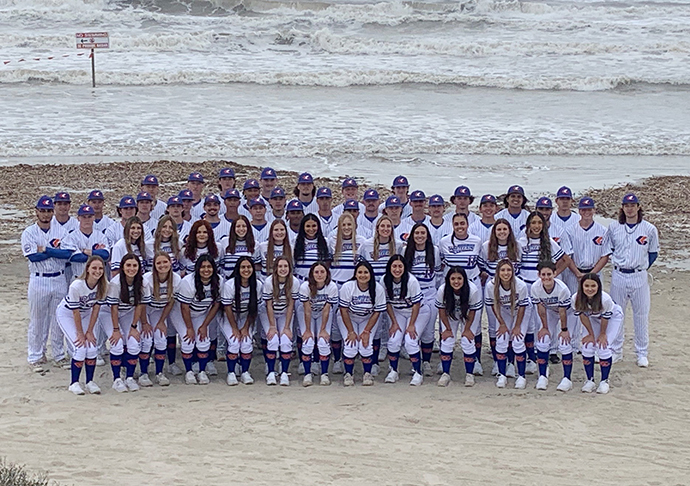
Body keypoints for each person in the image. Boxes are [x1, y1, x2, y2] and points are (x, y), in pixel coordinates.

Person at [605, 193, 659, 367]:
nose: (629, 208)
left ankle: (641, 352)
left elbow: (653, 252)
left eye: (633, 205)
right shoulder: (614, 228)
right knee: (617, 313)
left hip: (639, 275)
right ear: (622, 208)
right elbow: (609, 249)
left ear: (638, 207)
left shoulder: (649, 229)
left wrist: (641, 267)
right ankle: (615, 350)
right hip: (619, 274)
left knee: (641, 314)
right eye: (626, 205)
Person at [22, 195, 71, 371]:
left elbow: (67, 254)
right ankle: (36, 356)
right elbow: (33, 257)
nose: (45, 214)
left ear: (52, 212)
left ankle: (58, 355)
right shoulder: (29, 232)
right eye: (42, 211)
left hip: (58, 277)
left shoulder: (61, 231)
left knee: (58, 318)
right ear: (36, 211)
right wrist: (53, 252)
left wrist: (47, 250)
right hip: (39, 278)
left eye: (48, 211)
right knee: (37, 320)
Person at [518, 211, 566, 372]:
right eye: (533, 223)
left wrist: (552, 276)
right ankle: (527, 355)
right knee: (526, 322)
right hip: (525, 286)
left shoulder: (549, 242)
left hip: (541, 287)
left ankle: (542, 354)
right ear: (528, 225)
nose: (536, 226)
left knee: (541, 322)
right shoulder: (521, 242)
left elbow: (564, 260)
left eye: (539, 223)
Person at [55, 255, 108, 395]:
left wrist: (90, 331)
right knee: (80, 346)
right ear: (88, 269)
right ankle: (74, 383)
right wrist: (80, 333)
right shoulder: (77, 285)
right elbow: (75, 312)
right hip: (67, 314)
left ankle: (90, 381)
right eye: (94, 268)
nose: (98, 271)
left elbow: (96, 309)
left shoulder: (103, 285)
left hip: (87, 314)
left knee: (91, 347)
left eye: (101, 268)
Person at [438, 213, 484, 374]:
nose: (459, 226)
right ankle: (444, 359)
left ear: (467, 224)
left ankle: (476, 360)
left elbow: (481, 262)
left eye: (462, 223)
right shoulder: (444, 242)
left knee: (475, 326)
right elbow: (442, 262)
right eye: (456, 224)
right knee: (446, 323)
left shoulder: (476, 241)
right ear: (452, 225)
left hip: (472, 284)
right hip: (452, 285)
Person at [478, 218, 522, 376]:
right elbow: (481, 266)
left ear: (509, 231)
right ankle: (498, 361)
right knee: (493, 327)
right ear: (494, 232)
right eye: (499, 230)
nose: (502, 232)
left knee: (510, 325)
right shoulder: (486, 247)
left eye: (505, 229)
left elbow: (521, 268)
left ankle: (510, 362)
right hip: (493, 290)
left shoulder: (517, 247)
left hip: (512, 290)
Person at [337, 260, 387, 386]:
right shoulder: (348, 286)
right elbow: (343, 310)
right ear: (355, 274)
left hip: (368, 318)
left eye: (366, 272)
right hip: (349, 317)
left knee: (365, 345)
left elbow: (377, 312)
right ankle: (348, 374)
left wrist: (366, 331)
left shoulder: (377, 288)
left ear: (371, 274)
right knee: (350, 345)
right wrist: (351, 331)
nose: (363, 275)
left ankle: (367, 373)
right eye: (359, 272)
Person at [573, 273, 624, 394]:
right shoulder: (575, 298)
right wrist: (590, 334)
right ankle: (589, 380)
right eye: (586, 286)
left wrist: (602, 334)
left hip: (612, 318)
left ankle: (604, 381)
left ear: (598, 287)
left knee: (603, 346)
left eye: (593, 286)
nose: (590, 289)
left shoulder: (605, 299)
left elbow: (606, 318)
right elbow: (582, 316)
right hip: (592, 318)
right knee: (587, 346)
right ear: (581, 287)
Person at [381, 255, 429, 385]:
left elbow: (416, 304)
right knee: (393, 340)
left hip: (418, 312)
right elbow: (387, 303)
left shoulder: (411, 281)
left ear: (404, 267)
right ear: (389, 267)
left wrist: (412, 325)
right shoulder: (384, 280)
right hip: (398, 312)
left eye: (400, 266)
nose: (397, 269)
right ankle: (393, 370)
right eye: (394, 266)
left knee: (410, 340)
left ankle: (418, 372)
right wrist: (394, 323)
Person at [105, 253, 149, 393]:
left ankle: (129, 377)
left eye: (134, 265)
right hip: (108, 313)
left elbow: (139, 305)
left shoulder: (143, 283)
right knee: (117, 342)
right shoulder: (115, 283)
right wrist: (116, 329)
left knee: (134, 343)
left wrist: (134, 327)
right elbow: (113, 308)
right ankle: (117, 379)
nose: (131, 268)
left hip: (128, 312)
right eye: (128, 265)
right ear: (122, 267)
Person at [403, 223, 442, 377]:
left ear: (427, 236)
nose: (420, 236)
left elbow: (438, 273)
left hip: (430, 294)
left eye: (423, 233)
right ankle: (415, 359)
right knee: (413, 329)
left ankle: (426, 361)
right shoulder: (406, 250)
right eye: (417, 233)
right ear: (412, 235)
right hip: (412, 296)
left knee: (428, 331)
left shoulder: (435, 251)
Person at [177, 254, 222, 385]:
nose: (206, 270)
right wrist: (190, 328)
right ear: (197, 268)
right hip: (181, 312)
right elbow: (184, 307)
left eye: (209, 267)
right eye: (202, 267)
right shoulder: (188, 282)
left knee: (203, 340)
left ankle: (202, 371)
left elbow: (216, 305)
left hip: (200, 312)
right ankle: (189, 371)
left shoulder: (218, 281)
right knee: (187, 340)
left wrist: (204, 325)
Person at [484, 259, 530, 389]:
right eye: (503, 270)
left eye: (509, 270)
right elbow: (494, 306)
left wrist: (517, 326)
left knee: (517, 339)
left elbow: (522, 307)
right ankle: (502, 374)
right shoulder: (491, 286)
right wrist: (502, 324)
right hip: (503, 310)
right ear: (497, 272)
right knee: (501, 339)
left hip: (520, 310)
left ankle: (521, 376)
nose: (506, 273)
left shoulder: (520, 285)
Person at [435, 266, 483, 387]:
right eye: (453, 278)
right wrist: (447, 329)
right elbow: (441, 310)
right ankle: (445, 373)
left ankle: (469, 374)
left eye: (459, 278)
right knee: (447, 339)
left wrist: (467, 330)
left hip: (468, 313)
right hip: (450, 312)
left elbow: (473, 311)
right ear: (448, 280)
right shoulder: (442, 290)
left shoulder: (473, 290)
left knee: (467, 340)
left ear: (464, 279)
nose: (456, 281)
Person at [530, 261, 574, 391]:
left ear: (555, 273)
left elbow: (562, 311)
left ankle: (567, 378)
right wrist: (544, 327)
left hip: (568, 312)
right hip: (549, 311)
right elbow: (541, 308)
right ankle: (542, 375)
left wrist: (564, 329)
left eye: (549, 274)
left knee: (564, 342)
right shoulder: (535, 287)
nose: (546, 277)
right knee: (543, 340)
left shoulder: (562, 289)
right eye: (543, 274)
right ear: (538, 275)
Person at [221, 255, 263, 385]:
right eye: (243, 267)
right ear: (238, 269)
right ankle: (231, 373)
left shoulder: (257, 284)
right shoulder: (230, 284)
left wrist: (245, 327)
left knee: (246, 343)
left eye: (249, 267)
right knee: (234, 342)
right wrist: (234, 328)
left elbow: (254, 309)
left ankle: (245, 371)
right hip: (229, 316)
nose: (246, 270)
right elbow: (227, 308)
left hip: (246, 316)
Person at [142, 252, 183, 386]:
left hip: (158, 311)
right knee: (147, 340)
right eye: (158, 263)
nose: (162, 265)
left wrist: (161, 321)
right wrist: (144, 323)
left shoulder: (176, 279)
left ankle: (160, 372)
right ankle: (143, 373)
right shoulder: (147, 279)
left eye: (165, 262)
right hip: (144, 311)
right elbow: (140, 303)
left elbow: (170, 302)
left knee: (160, 338)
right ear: (153, 265)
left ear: (170, 263)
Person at [298, 262, 339, 386]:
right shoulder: (305, 287)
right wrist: (308, 330)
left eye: (322, 272)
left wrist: (323, 330)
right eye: (316, 272)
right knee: (308, 341)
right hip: (306, 312)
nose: (319, 275)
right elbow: (307, 310)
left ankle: (324, 374)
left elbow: (327, 309)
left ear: (327, 274)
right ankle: (307, 374)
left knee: (323, 341)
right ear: (311, 274)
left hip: (323, 313)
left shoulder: (332, 287)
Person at [262, 256, 300, 386]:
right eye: (280, 266)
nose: (283, 269)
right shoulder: (269, 282)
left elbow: (291, 305)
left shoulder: (294, 282)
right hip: (269, 313)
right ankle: (271, 372)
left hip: (285, 312)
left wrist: (287, 327)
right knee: (272, 339)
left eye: (285, 266)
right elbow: (268, 305)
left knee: (285, 340)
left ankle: (284, 372)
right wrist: (272, 326)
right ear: (275, 268)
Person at [62, 205, 110, 282]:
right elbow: (75, 258)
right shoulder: (71, 237)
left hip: (98, 280)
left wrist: (86, 252)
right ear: (78, 218)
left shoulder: (101, 236)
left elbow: (105, 255)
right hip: (78, 278)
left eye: (89, 216)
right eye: (84, 217)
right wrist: (96, 255)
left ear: (94, 217)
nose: (87, 219)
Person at [293, 214, 331, 281]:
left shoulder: (325, 241)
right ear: (303, 227)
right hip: (300, 280)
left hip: (318, 281)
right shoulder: (295, 241)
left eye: (314, 226)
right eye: (308, 226)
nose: (311, 229)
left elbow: (327, 263)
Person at [221, 215, 259, 279]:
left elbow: (257, 265)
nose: (241, 229)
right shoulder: (225, 242)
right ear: (233, 228)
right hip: (229, 281)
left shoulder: (255, 244)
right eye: (238, 226)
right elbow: (221, 263)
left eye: (244, 226)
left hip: (247, 281)